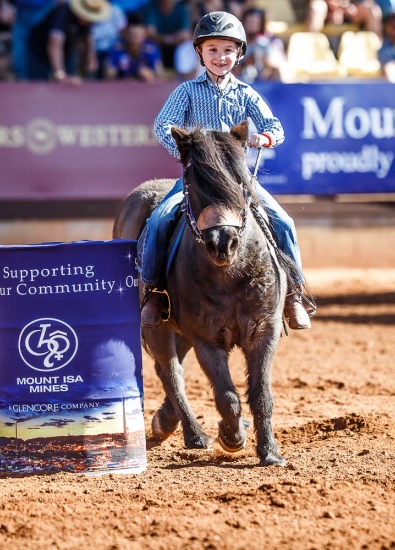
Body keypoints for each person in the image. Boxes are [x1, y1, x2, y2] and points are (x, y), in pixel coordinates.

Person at [139, 11, 313, 330]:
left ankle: (294, 295)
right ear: (200, 53)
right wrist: (187, 150)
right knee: (159, 220)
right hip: (200, 179)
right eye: (213, 49)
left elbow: (275, 126)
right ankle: (153, 291)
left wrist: (265, 136)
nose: (221, 57)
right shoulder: (187, 91)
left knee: (284, 222)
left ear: (239, 53)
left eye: (228, 50)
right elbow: (162, 124)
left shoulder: (246, 93)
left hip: (238, 181)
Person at [27, 0, 112, 83]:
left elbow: (88, 37)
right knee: (40, 85)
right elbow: (54, 43)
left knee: (71, 84)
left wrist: (90, 58)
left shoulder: (87, 22)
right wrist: (60, 74)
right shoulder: (62, 14)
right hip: (39, 51)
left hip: (67, 51)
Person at [105, 13, 163, 81]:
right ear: (125, 34)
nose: (134, 40)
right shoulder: (117, 49)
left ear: (144, 35)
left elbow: (160, 76)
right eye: (131, 35)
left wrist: (150, 76)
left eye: (137, 36)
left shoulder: (151, 49)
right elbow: (108, 77)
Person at [234, 7, 286, 82]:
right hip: (240, 81)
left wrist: (265, 62)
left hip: (263, 82)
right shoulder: (236, 43)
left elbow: (277, 65)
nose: (252, 26)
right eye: (250, 22)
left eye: (256, 22)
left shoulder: (269, 42)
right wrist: (244, 64)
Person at [142, 0, 191, 69]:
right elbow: (150, 33)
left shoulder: (181, 8)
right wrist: (167, 39)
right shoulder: (151, 7)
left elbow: (185, 33)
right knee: (148, 45)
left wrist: (171, 39)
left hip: (176, 43)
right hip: (157, 43)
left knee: (186, 45)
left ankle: (184, 72)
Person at [305, 0, 382, 36]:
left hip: (350, 12)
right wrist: (334, 7)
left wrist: (349, 8)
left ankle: (374, 51)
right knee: (317, 7)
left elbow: (368, 2)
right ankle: (311, 48)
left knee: (373, 11)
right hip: (326, 11)